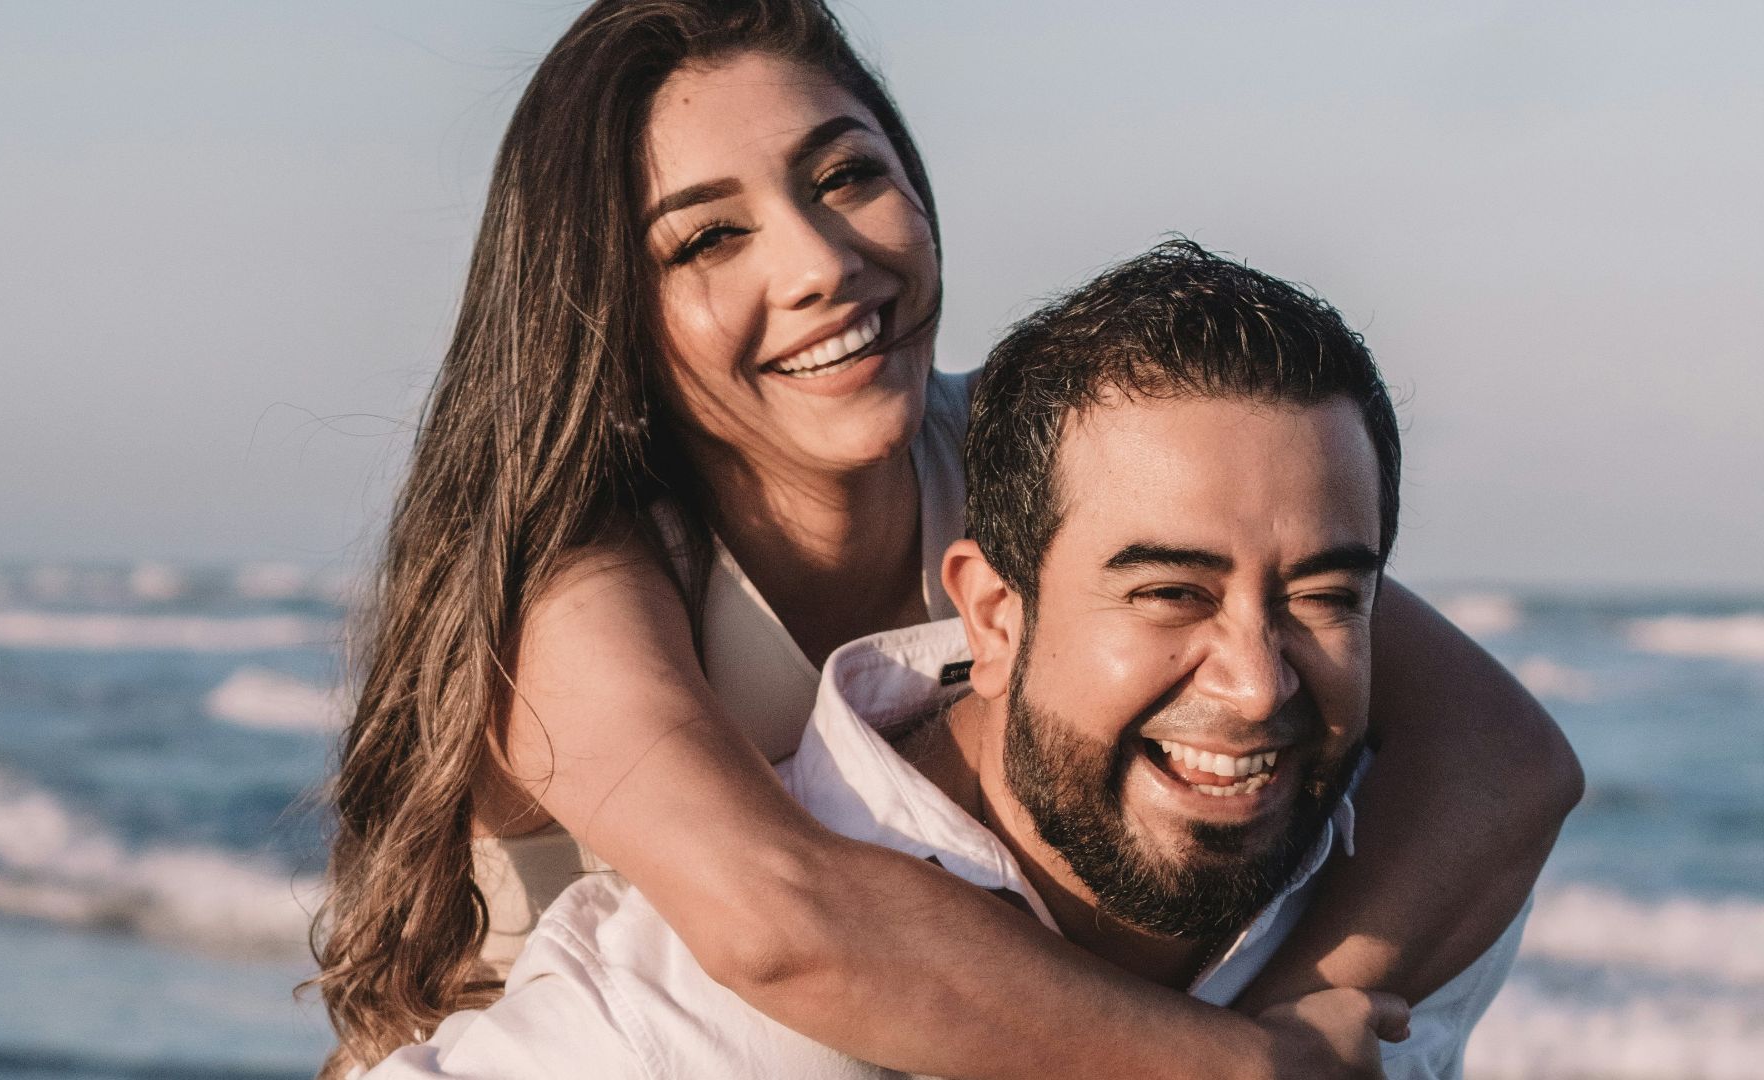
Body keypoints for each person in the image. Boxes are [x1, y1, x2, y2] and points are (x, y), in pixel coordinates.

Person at [312, 2, 1580, 1077]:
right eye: (710, 237)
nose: (818, 261)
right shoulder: (582, 575)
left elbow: (1502, 758)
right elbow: (778, 924)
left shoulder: (1020, 458)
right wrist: (1229, 1064)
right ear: (608, 307)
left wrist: (1303, 1005)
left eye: (845, 174)